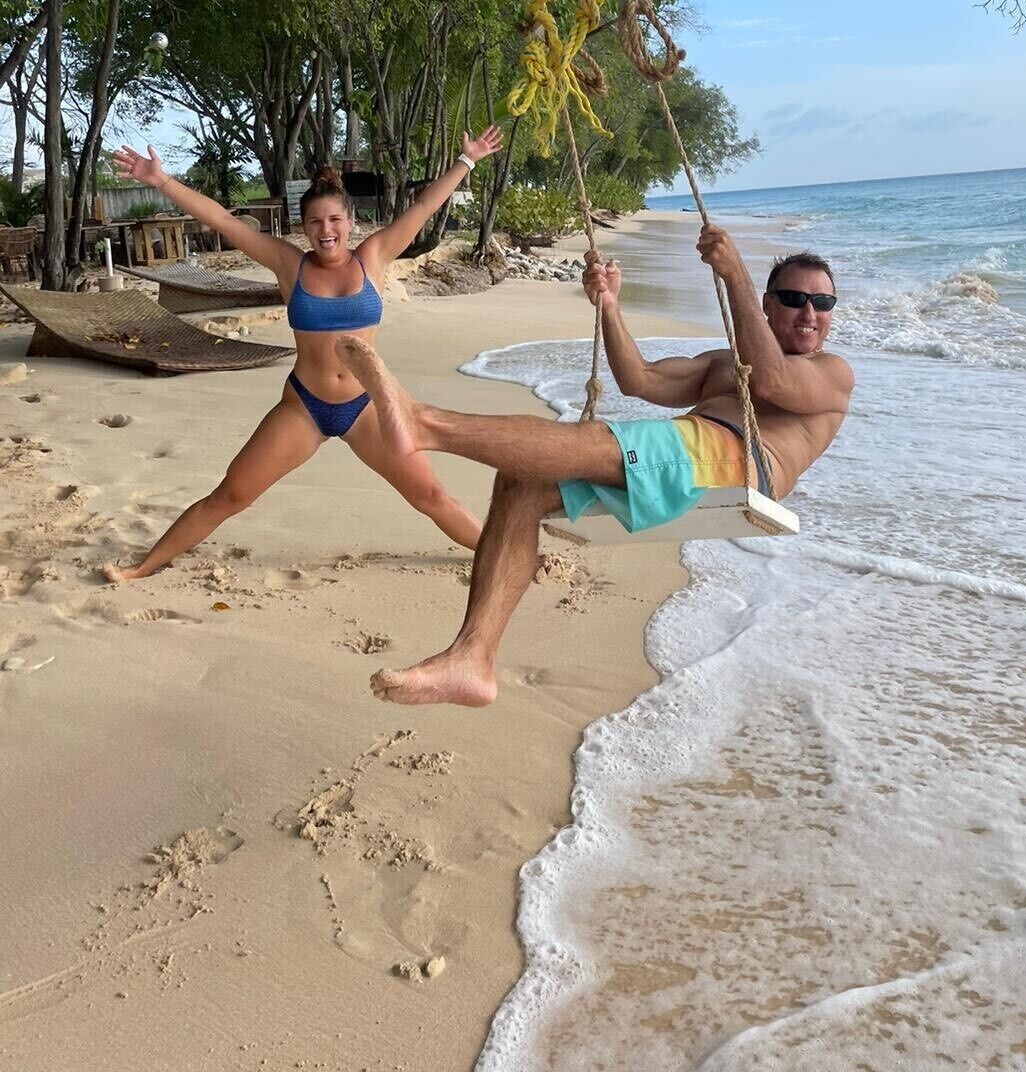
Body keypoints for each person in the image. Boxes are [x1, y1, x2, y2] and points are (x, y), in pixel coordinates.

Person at [333, 224, 855, 706]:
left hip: (737, 460)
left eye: (822, 301)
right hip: (692, 458)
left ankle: (423, 424)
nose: (809, 311)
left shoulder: (831, 373)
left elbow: (773, 383)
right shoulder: (726, 362)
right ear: (768, 304)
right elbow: (640, 379)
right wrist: (609, 305)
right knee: (521, 484)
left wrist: (735, 272)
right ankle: (473, 659)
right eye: (793, 298)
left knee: (592, 440)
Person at [101, 128, 503, 583]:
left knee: (430, 494)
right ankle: (142, 568)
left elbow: (424, 206)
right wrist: (161, 181)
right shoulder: (290, 264)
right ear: (304, 226)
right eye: (314, 222)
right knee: (231, 494)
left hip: (366, 408)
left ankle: (505, 557)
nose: (325, 231)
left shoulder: (374, 256)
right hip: (304, 409)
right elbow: (222, 220)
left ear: (349, 221)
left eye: (334, 220)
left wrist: (466, 161)